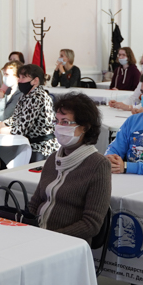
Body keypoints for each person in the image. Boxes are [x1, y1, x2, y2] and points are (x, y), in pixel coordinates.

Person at [28, 92, 111, 244]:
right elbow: (35, 204)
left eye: (65, 122)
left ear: (84, 127)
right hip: (38, 237)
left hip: (66, 244)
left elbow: (91, 224)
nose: (59, 127)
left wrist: (50, 238)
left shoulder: (98, 165)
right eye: (57, 121)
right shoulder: (53, 158)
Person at [0, 64, 59, 162]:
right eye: (19, 77)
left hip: (41, 147)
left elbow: (20, 129)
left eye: (23, 77)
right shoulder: (25, 96)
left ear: (35, 81)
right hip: (28, 143)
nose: (19, 80)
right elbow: (14, 119)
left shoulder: (38, 97)